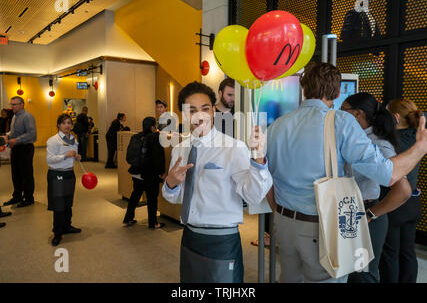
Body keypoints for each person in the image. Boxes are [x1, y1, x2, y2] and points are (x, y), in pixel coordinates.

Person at [266, 62, 427, 283]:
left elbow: (266, 178)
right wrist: (419, 148)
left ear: (303, 87)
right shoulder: (341, 122)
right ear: (338, 91)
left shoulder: (277, 125)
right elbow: (386, 174)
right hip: (321, 225)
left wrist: (280, 212)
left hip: (285, 224)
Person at [162, 81, 272, 283]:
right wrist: (170, 182)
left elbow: (253, 195)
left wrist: (258, 159)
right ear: (185, 115)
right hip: (190, 236)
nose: (200, 115)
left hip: (222, 240)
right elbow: (174, 197)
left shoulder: (233, 147)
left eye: (205, 108)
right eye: (192, 110)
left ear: (213, 111)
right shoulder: (180, 150)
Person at [341, 93, 411, 283]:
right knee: (351, 274)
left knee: (362, 276)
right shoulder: (355, 138)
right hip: (351, 213)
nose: (339, 115)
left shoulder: (378, 144)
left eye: (342, 110)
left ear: (356, 114)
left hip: (366, 214)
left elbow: (403, 191)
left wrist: (371, 214)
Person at [379, 98, 425, 283]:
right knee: (407, 252)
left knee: (389, 253)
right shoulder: (418, 137)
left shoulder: (390, 142)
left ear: (395, 117)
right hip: (413, 203)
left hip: (394, 202)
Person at [123, 117, 166, 229]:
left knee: (135, 195)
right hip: (149, 173)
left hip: (136, 171)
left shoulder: (136, 136)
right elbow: (158, 157)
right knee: (152, 198)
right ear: (152, 127)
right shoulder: (155, 138)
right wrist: (161, 171)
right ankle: (153, 223)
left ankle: (128, 218)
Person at [46, 114, 82, 246]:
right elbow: (49, 159)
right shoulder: (53, 140)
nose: (67, 125)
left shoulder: (73, 139)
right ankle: (57, 233)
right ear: (58, 125)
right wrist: (65, 155)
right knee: (59, 205)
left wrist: (76, 157)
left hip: (69, 174)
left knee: (68, 202)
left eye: (69, 123)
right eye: (64, 123)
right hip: (57, 175)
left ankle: (67, 226)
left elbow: (73, 156)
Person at [1, 96, 37, 208]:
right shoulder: (14, 117)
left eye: (15, 104)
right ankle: (17, 196)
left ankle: (29, 198)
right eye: (11, 104)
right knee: (16, 174)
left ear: (22, 104)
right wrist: (7, 136)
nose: (12, 106)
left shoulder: (28, 117)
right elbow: (14, 132)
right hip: (16, 148)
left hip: (25, 148)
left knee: (26, 174)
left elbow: (31, 134)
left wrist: (16, 140)